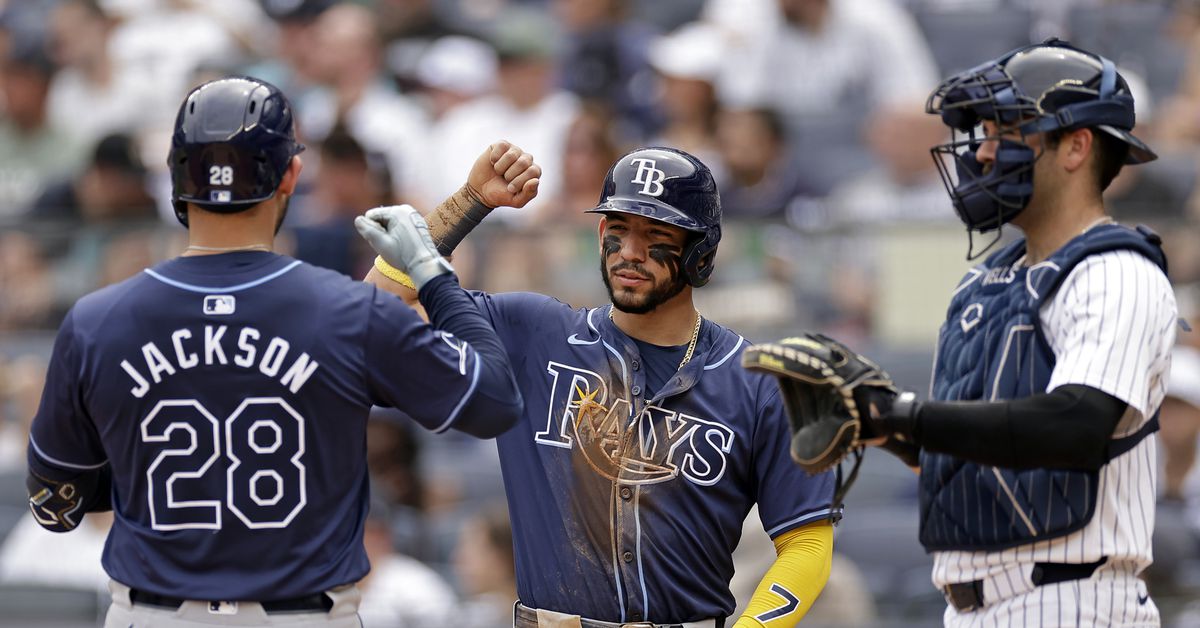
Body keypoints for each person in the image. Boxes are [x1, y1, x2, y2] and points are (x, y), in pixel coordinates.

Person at [23, 75, 524, 627]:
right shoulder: (347, 316)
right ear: (290, 174)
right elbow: (494, 400)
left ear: (175, 179)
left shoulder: (97, 321)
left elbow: (56, 504)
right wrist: (433, 274)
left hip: (150, 614)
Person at [779, 39, 1178, 625]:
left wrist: (904, 414)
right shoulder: (983, 284)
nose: (984, 152)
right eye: (983, 133)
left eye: (1006, 132)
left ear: (1076, 146)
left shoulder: (1115, 272)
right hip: (974, 606)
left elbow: (1074, 425)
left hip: (1074, 602)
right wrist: (874, 421)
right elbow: (975, 455)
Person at [361, 143, 838, 627]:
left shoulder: (761, 384)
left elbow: (806, 542)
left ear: (701, 252)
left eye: (655, 234)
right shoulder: (532, 333)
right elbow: (374, 318)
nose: (629, 252)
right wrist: (469, 202)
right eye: (618, 229)